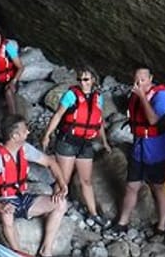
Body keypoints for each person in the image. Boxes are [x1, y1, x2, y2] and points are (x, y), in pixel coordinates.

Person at [0, 114, 69, 257]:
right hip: (3, 202)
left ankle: (45, 252)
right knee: (7, 215)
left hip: (22, 198)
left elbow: (50, 162)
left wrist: (62, 184)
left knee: (60, 203)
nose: (28, 132)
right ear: (15, 136)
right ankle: (19, 255)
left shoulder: (24, 148)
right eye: (25, 130)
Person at [40, 68, 112, 224]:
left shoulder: (98, 98)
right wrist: (46, 134)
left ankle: (93, 214)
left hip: (86, 143)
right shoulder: (71, 95)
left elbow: (98, 122)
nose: (82, 83)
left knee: (86, 181)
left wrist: (104, 142)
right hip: (68, 141)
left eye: (86, 79)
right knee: (63, 180)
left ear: (93, 80)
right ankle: (52, 210)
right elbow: (58, 115)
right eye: (80, 79)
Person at [112, 66, 165, 235]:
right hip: (139, 148)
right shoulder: (135, 95)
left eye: (143, 80)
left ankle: (161, 225)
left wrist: (142, 97)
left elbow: (153, 120)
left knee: (158, 187)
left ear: (151, 78)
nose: (139, 84)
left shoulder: (161, 96)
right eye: (136, 80)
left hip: (157, 151)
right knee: (132, 186)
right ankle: (122, 221)